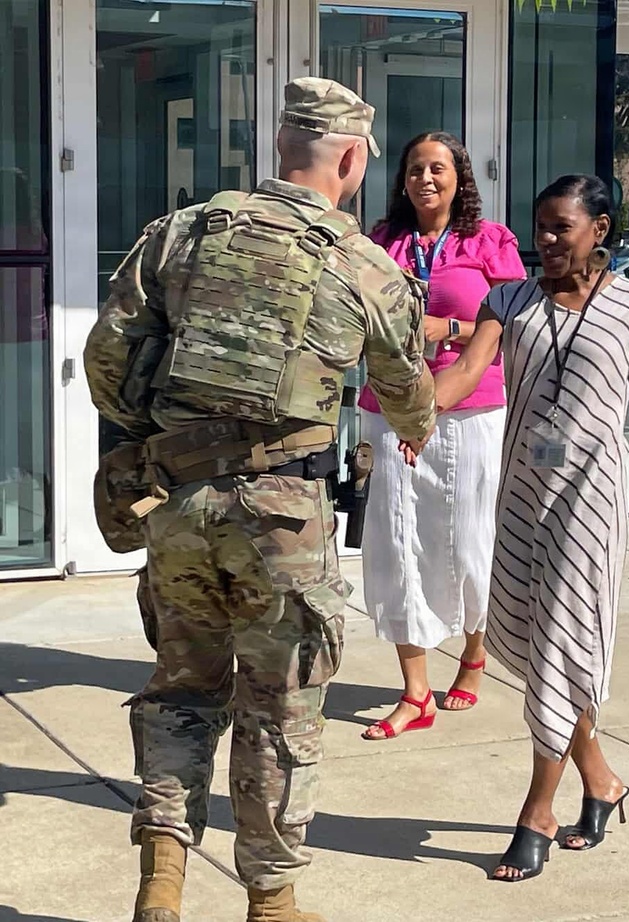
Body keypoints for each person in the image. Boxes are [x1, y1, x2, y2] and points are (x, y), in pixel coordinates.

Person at [84, 77, 436, 922]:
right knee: (281, 709)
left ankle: (162, 880)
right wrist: (414, 421)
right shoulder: (361, 264)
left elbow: (106, 357)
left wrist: (170, 435)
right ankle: (271, 903)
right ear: (350, 158)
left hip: (177, 506)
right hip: (285, 518)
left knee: (181, 687)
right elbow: (407, 391)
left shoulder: (183, 234)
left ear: (280, 149)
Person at [422, 174, 629, 882]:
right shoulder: (511, 299)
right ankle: (602, 781)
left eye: (562, 227)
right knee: (530, 646)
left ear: (601, 230)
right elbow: (469, 370)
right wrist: (419, 413)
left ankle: (536, 811)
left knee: (562, 641)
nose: (548, 241)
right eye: (540, 227)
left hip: (590, 502)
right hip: (524, 495)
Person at [358, 132, 525, 739]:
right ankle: (415, 691)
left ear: (460, 178)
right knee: (396, 542)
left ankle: (474, 659)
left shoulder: (491, 243)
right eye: (415, 169)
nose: (426, 179)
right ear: (401, 180)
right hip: (391, 408)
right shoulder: (381, 244)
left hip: (472, 411)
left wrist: (447, 327)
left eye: (438, 168)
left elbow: (515, 320)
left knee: (468, 540)